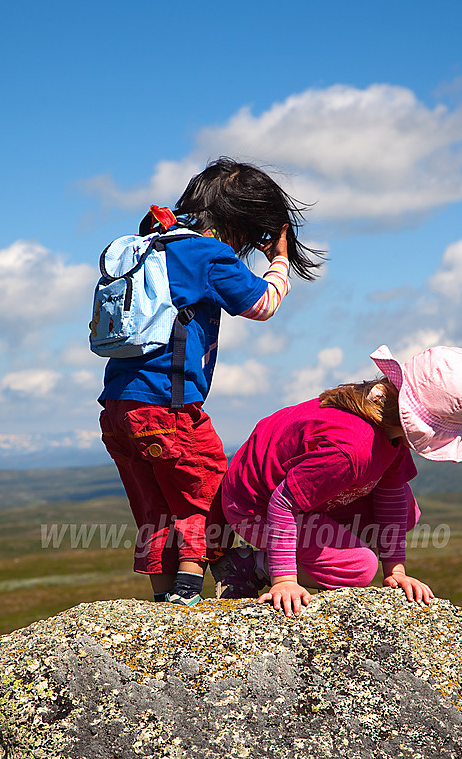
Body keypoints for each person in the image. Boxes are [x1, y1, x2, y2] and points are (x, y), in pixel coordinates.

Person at [98, 157, 322, 605]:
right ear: (240, 222)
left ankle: (163, 603)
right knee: (209, 489)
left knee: (153, 506)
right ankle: (187, 596)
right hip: (170, 406)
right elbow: (262, 303)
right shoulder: (208, 254)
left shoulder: (150, 243)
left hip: (119, 407)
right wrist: (277, 261)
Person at [213, 344, 462, 617]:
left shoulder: (389, 429)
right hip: (254, 508)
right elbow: (282, 503)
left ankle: (320, 551)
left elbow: (390, 494)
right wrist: (284, 580)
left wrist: (395, 571)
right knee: (359, 568)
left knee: (406, 510)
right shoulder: (350, 449)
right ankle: (251, 564)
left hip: (295, 495)